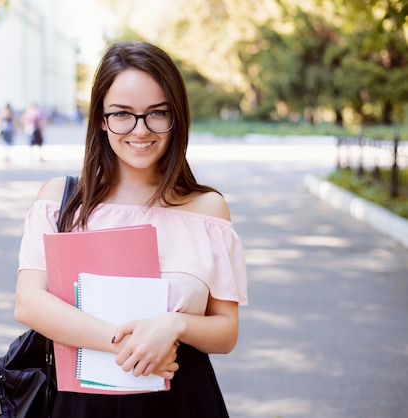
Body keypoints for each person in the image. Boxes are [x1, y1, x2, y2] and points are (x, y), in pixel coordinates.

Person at [14, 41, 248, 417]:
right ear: (101, 118)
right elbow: (29, 304)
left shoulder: (208, 210)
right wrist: (134, 346)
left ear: (177, 117)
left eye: (157, 113)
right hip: (79, 405)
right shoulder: (60, 200)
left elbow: (226, 332)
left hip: (181, 402)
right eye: (122, 114)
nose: (140, 130)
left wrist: (173, 325)